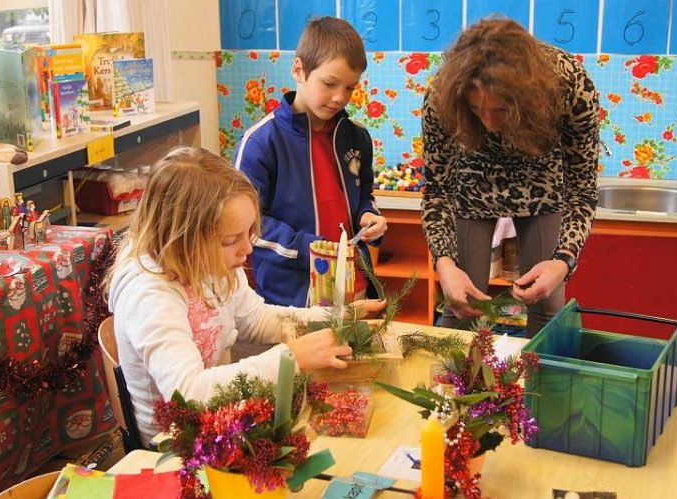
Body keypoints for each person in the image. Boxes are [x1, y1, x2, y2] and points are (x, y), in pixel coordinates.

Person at [105, 146, 385, 445]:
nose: (247, 249)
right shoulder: (150, 294)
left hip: (223, 417)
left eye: (248, 233)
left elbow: (257, 319)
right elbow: (188, 394)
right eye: (230, 240)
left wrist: (334, 318)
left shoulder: (212, 262)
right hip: (177, 449)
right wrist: (292, 359)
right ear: (183, 237)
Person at [421, 18, 600, 336]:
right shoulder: (442, 93)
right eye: (477, 110)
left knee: (547, 305)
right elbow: (438, 190)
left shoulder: (567, 83)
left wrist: (563, 261)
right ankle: (447, 385)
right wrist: (444, 263)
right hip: (473, 178)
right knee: (462, 302)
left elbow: (581, 189)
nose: (489, 124)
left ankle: (540, 386)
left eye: (501, 110)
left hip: (541, 177)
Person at [234, 16, 388, 307]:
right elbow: (246, 225)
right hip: (293, 299)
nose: (339, 97)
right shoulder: (260, 142)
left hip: (353, 288)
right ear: (299, 70)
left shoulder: (357, 138)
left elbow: (363, 197)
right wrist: (309, 248)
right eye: (329, 83)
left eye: (350, 88)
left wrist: (367, 217)